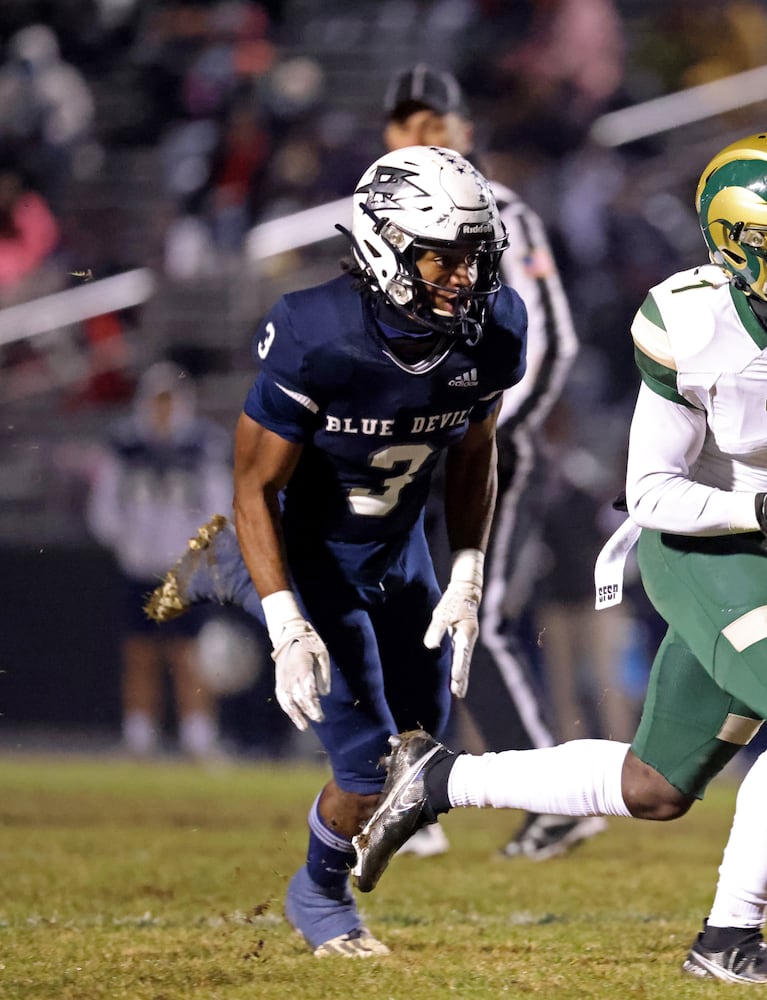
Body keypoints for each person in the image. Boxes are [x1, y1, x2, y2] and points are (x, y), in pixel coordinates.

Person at [350, 130, 767, 984]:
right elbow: (652, 492)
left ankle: (439, 778)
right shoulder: (689, 320)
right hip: (701, 544)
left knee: (653, 787)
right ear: (744, 253)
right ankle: (727, 940)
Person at [158, 144, 525, 957]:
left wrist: (465, 572)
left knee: (420, 764)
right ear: (382, 243)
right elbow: (252, 487)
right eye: (442, 255)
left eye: (475, 256)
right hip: (307, 559)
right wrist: (287, 621)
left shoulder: (495, 331)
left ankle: (334, 869)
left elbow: (474, 455)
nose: (464, 278)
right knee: (368, 778)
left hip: (401, 554)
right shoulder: (315, 331)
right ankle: (318, 896)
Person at [382, 63, 596, 861]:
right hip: (402, 450)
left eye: (436, 121)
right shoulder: (377, 224)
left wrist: (491, 431)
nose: (421, 136)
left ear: (467, 133)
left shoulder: (502, 215)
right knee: (399, 616)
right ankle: (414, 801)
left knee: (481, 617)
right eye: (407, 124)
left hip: (485, 450)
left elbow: (553, 340)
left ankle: (558, 800)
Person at [86, 362, 231, 759]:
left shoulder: (202, 443)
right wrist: (125, 542)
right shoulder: (125, 444)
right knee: (140, 653)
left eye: (170, 400)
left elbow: (219, 504)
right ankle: (139, 735)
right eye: (157, 400)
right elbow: (105, 502)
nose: (164, 409)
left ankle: (199, 736)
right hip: (139, 563)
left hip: (184, 569)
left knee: (188, 655)